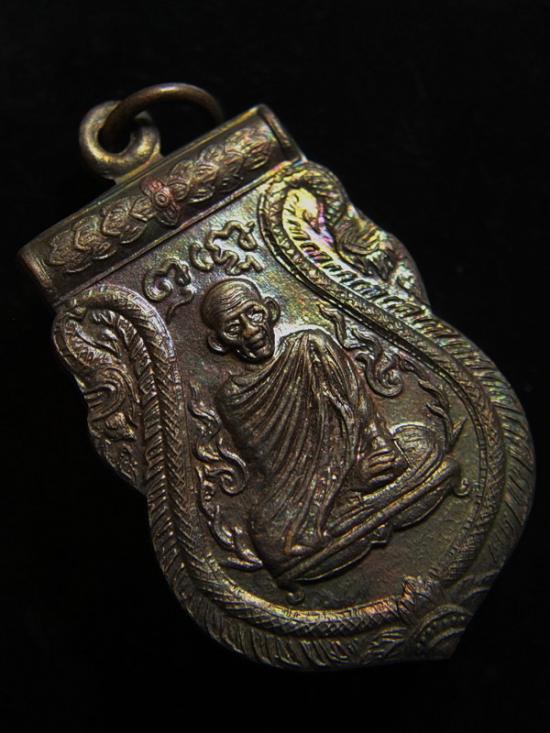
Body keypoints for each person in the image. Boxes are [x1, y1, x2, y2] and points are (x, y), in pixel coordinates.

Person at [200, 278, 459, 583]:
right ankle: (354, 506)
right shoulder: (232, 396)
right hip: (306, 495)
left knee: (420, 443)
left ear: (270, 310)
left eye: (253, 314)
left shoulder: (311, 344)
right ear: (219, 342)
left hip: (358, 462)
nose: (250, 331)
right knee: (268, 535)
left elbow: (360, 406)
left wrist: (379, 447)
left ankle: (343, 520)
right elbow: (274, 467)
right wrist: (348, 482)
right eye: (233, 327)